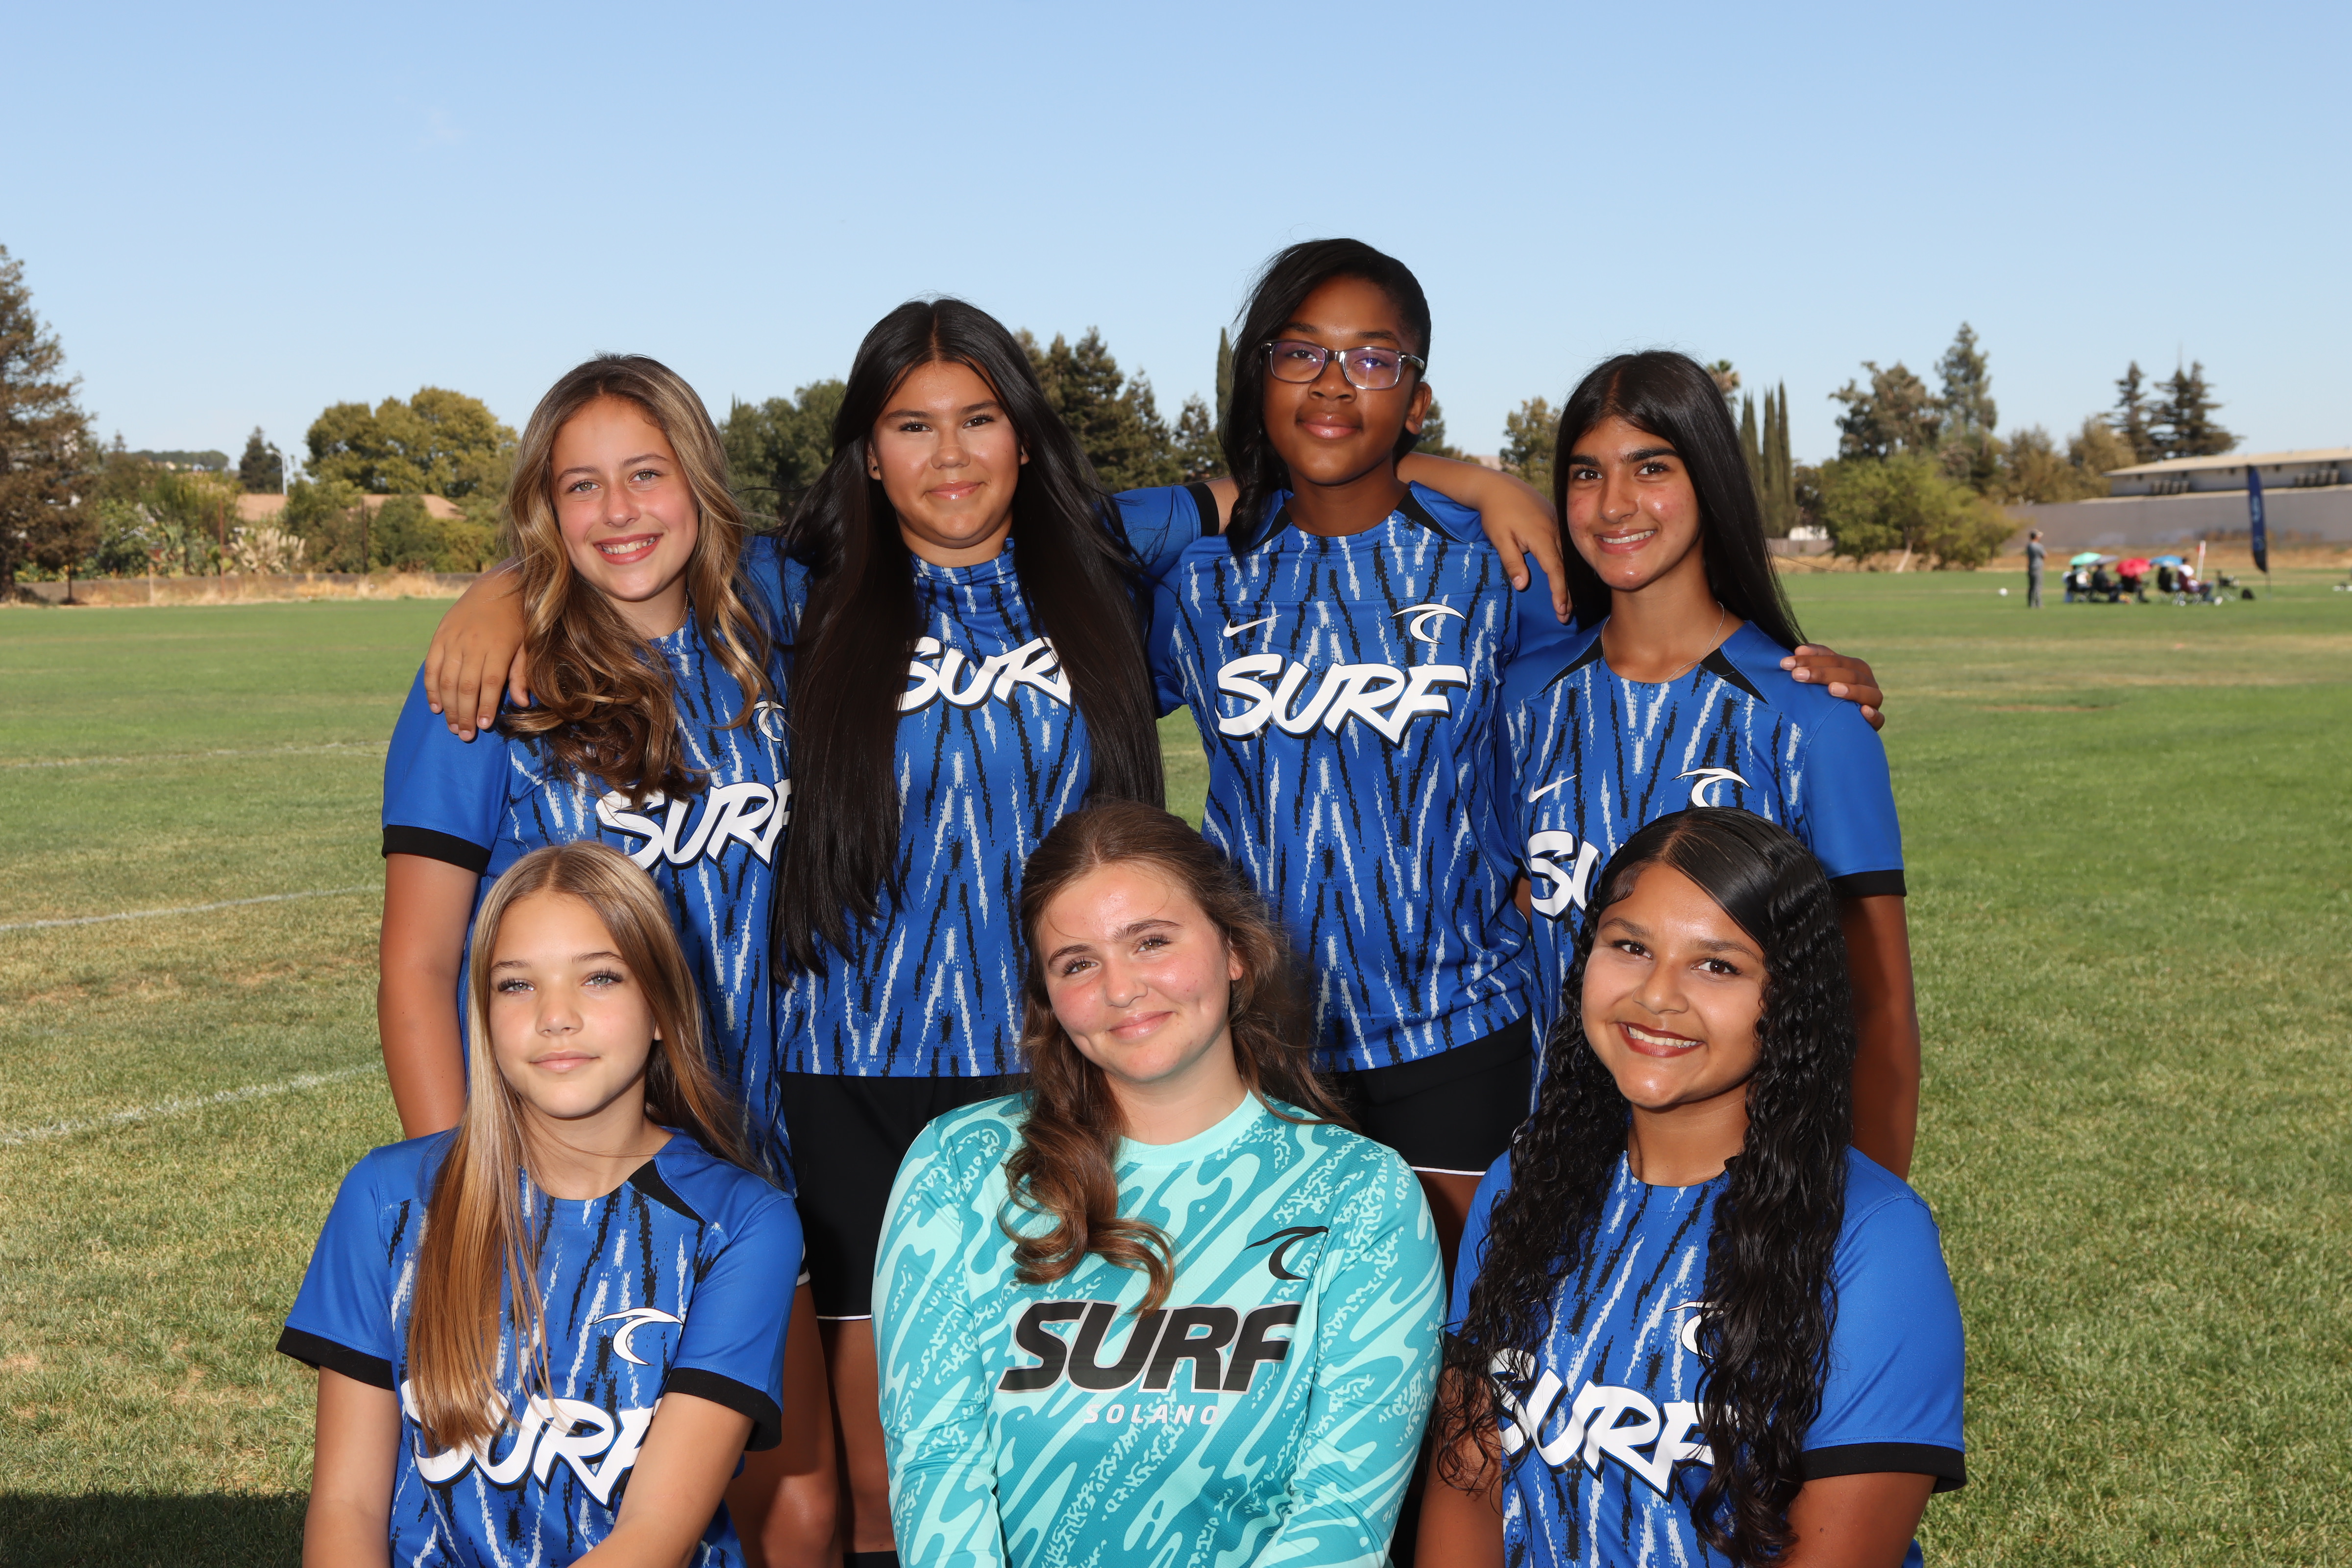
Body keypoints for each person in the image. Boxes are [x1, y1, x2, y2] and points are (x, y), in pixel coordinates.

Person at [410, 300, 1570, 1568]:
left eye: (979, 419)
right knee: (884, 1477)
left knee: (1121, 1417)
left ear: (1024, 436)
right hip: (856, 1072)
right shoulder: (805, 586)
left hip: (1064, 1058)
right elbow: (642, 543)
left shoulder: (1106, 548)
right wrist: (505, 587)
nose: (950, 453)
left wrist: (1473, 478)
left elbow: (1303, 465)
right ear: (868, 452)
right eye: (912, 426)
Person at [1150, 242, 1889, 1256]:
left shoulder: (1501, 577)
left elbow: (1637, 649)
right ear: (1257, 373)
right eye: (1300, 353)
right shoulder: (1195, 582)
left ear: (1417, 396)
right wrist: (1467, 472)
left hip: (1462, 1041)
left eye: (1372, 358)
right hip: (1260, 1036)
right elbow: (1058, 536)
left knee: (1474, 1324)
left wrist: (1811, 694)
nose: (1333, 382)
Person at [374, 354, 833, 1564]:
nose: (619, 511)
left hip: (756, 1156)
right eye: (580, 486)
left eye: (647, 473)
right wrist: (469, 1198)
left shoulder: (770, 630)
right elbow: (419, 962)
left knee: (795, 1508)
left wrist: (502, 579)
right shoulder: (491, 687)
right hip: (565, 1167)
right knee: (602, 1502)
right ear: (545, 507)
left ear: (700, 479)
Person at [874, 801, 1442, 1568]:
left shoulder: (1363, 1194)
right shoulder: (960, 1166)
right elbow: (937, 1466)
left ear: (1234, 949)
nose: (1122, 989)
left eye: (1151, 941)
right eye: (1078, 963)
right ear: (1048, 997)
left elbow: (1343, 1516)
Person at [1419, 809, 1965, 1568]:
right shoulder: (1527, 1180)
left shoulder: (1872, 1237)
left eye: (1718, 966)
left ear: (1789, 999)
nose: (1657, 995)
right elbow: (1467, 1482)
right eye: (1631, 947)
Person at [281, 842, 805, 1568]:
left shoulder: (743, 1225)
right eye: (517, 984)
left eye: (600, 977)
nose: (556, 1015)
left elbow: (655, 1532)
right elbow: (348, 1505)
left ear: (661, 1005)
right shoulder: (387, 1201)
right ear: (484, 1014)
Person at [1493, 351, 1920, 1176]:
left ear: (1711, 480)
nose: (1614, 504)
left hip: (1753, 1185)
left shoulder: (1813, 720)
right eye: (1586, 473)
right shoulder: (1522, 703)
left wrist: (1863, 1211)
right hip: (1560, 1172)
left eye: (1651, 467)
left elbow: (1880, 1008)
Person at [2025, 528, 2045, 609]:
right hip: (2038, 567)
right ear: (2036, 537)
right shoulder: (2039, 546)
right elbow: (2044, 555)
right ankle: (2038, 604)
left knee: (2031, 586)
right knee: (2038, 586)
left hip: (2031, 567)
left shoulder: (2029, 546)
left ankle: (2031, 603)